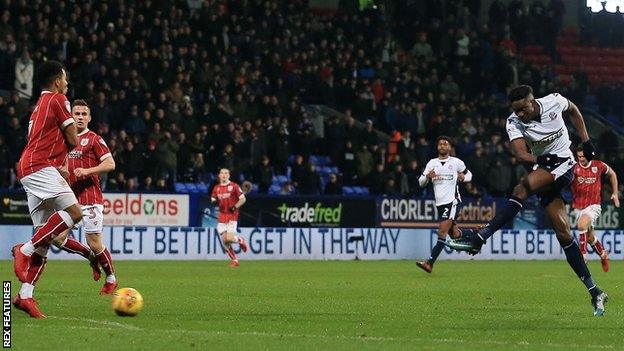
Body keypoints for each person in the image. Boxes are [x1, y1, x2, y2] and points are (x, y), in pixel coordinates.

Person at [447, 85, 608, 316]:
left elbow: (573, 110)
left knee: (521, 189)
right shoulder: (513, 121)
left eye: (523, 109)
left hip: (564, 164)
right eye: (516, 111)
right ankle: (595, 291)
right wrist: (540, 157)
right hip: (544, 166)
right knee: (564, 236)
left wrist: (586, 140)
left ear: (532, 101)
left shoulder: (554, 101)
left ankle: (480, 237)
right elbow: (520, 153)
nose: (520, 114)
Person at [12, 61, 83, 318]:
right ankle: (24, 249)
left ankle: (25, 296)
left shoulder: (38, 106)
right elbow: (74, 139)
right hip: (41, 167)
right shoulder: (58, 99)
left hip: (31, 167)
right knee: (76, 213)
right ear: (56, 82)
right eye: (65, 78)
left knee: (46, 238)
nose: (66, 82)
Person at [52, 99, 118, 295]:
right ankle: (90, 257)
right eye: (76, 114)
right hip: (69, 199)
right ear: (71, 116)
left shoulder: (94, 139)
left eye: (83, 114)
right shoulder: (64, 140)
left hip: (90, 199)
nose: (80, 117)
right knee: (57, 238)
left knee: (95, 242)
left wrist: (88, 171)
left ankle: (111, 278)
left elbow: (110, 164)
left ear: (89, 118)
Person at [415, 136, 472, 273]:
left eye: (445, 144)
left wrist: (464, 178)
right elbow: (420, 182)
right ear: (437, 147)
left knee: (442, 231)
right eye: (440, 144)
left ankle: (429, 263)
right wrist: (427, 177)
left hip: (452, 201)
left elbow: (469, 174)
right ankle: (475, 234)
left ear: (450, 148)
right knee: (454, 234)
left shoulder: (456, 162)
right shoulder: (432, 163)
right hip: (439, 203)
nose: (442, 146)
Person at [571, 146, 620, 272]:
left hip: (593, 205)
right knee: (590, 237)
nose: (581, 159)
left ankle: (583, 257)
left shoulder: (598, 165)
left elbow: (612, 174)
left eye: (583, 156)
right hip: (578, 206)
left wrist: (615, 193)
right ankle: (603, 254)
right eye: (579, 156)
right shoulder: (574, 168)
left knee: (581, 226)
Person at [211, 168, 248, 267]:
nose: (224, 175)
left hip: (232, 215)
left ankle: (240, 240)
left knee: (229, 238)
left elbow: (243, 199)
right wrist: (213, 201)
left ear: (229, 175)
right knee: (225, 240)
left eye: (226, 173)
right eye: (222, 173)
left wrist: (235, 206)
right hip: (222, 216)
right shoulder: (216, 188)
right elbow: (213, 199)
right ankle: (235, 260)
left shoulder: (234, 186)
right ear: (219, 176)